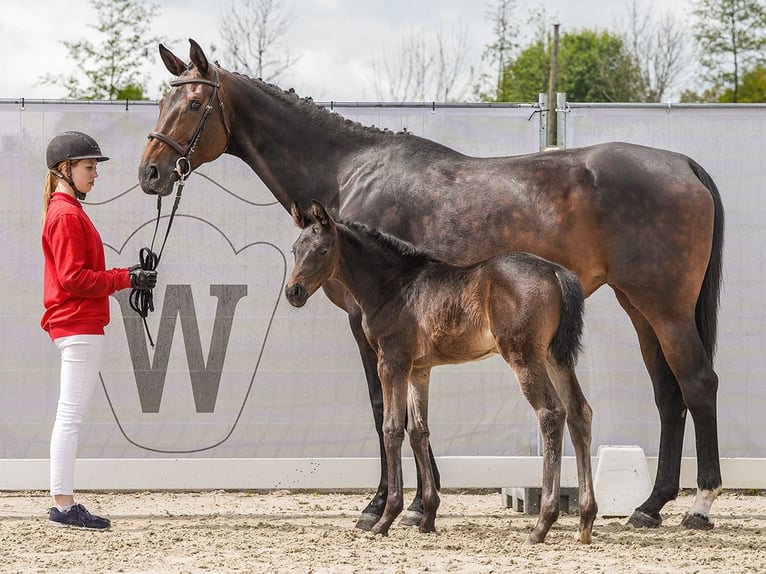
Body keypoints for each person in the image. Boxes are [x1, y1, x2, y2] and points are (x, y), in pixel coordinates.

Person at [41, 131, 157, 530]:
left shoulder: (66, 210)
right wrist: (126, 278)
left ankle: (63, 501)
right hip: (78, 321)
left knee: (70, 415)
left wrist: (126, 276)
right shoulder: (67, 214)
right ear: (64, 169)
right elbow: (74, 278)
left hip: (77, 322)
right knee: (70, 416)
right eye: (89, 167)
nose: (95, 174)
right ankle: (63, 505)